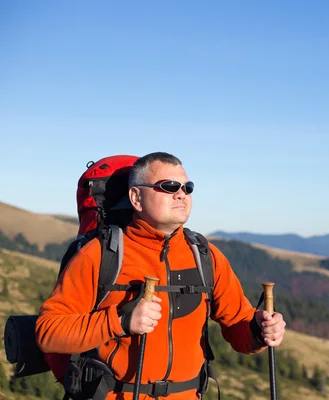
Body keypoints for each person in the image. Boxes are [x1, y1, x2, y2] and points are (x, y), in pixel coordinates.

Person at [36, 151, 286, 399]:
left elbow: (238, 326)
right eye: (168, 186)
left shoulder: (204, 255)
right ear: (136, 197)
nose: (181, 194)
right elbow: (48, 332)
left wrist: (259, 330)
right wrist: (120, 322)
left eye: (187, 187)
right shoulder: (101, 255)